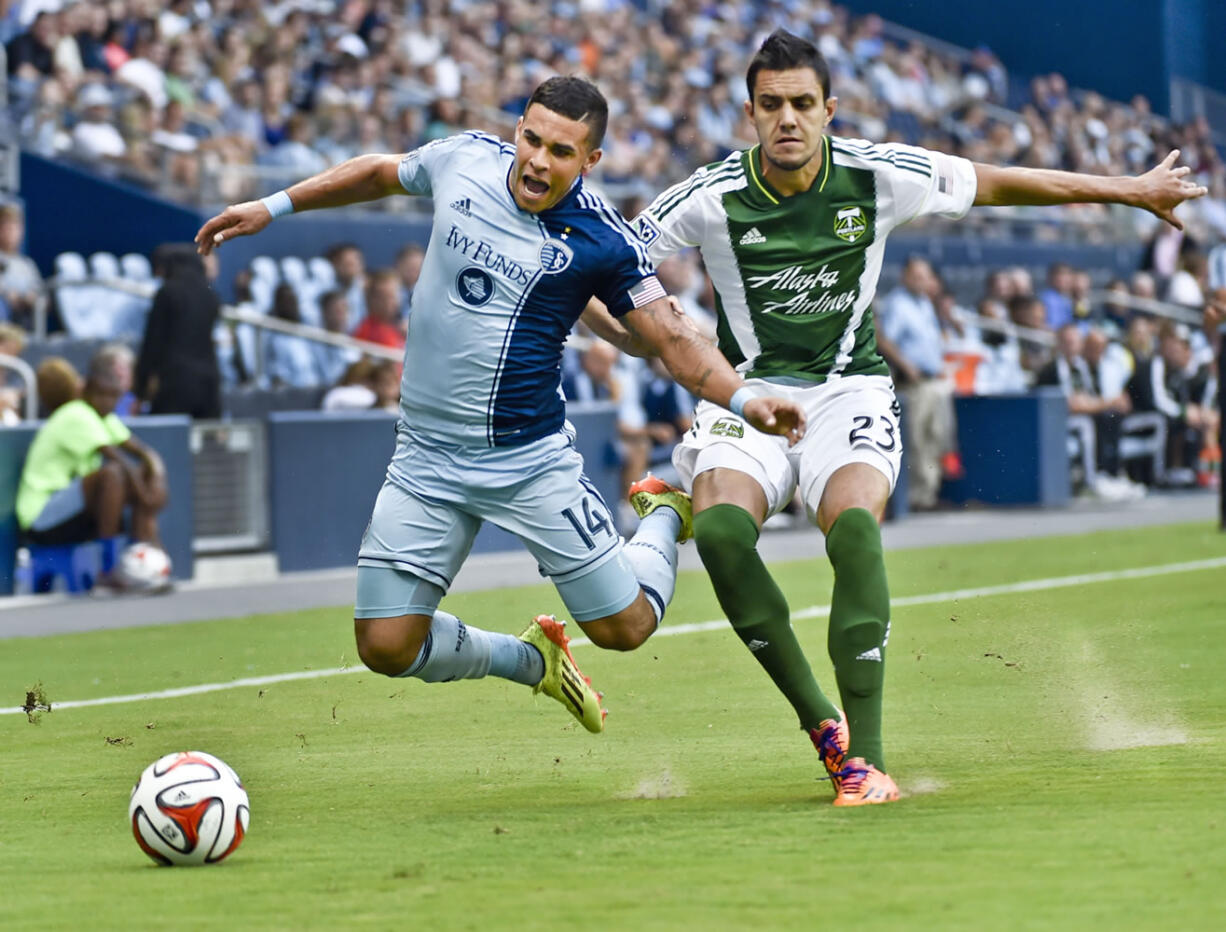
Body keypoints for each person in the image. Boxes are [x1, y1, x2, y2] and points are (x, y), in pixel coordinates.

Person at [603, 29, 1205, 805]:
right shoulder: (709, 193)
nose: (787, 117)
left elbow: (1000, 182)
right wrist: (612, 320)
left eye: (802, 103)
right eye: (771, 104)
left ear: (831, 109)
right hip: (747, 392)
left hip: (849, 389)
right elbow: (609, 262)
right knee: (719, 535)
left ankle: (869, 762)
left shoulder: (879, 174)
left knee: (853, 530)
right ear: (749, 113)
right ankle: (823, 725)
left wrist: (1127, 189)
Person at [195, 75, 805, 734]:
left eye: (561, 151)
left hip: (527, 462)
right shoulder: (464, 159)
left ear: (590, 161)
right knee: (385, 646)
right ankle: (529, 661)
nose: (539, 161)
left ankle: (661, 514)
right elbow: (379, 173)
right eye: (532, 138)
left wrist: (744, 398)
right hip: (425, 456)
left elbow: (673, 340)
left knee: (626, 628)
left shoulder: (603, 239)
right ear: (518, 128)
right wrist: (273, 206)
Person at [16, 345, 168, 586]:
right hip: (41, 518)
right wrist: (146, 497)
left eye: (113, 397)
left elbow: (144, 453)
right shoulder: (76, 413)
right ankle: (108, 572)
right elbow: (118, 460)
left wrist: (156, 477)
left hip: (73, 513)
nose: (109, 403)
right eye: (103, 395)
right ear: (87, 391)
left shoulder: (103, 416)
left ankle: (147, 560)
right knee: (113, 476)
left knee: (141, 475)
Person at [136, 244, 222, 418]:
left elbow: (153, 341)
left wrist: (141, 386)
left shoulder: (167, 293)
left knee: (169, 436)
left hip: (173, 380)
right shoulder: (211, 296)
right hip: (208, 379)